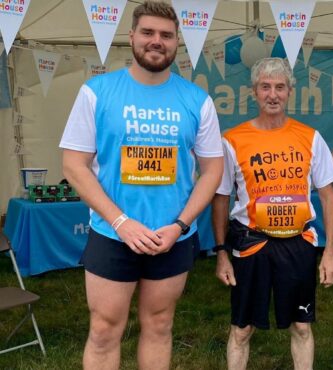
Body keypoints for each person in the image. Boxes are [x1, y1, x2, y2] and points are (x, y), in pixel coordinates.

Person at [59, 1, 223, 369]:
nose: (156, 41)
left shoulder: (197, 100)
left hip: (172, 235)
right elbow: (73, 165)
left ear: (177, 42)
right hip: (112, 233)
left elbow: (212, 171)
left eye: (166, 35)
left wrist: (180, 225)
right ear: (131, 36)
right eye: (148, 32)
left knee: (160, 325)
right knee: (103, 329)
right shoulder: (97, 91)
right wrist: (120, 222)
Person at [212, 57, 333, 370]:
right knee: (242, 329)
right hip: (250, 242)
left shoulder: (310, 138)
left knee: (301, 325)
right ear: (254, 92)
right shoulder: (232, 140)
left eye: (280, 87)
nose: (273, 94)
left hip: (297, 243)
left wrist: (331, 253)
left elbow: (328, 195)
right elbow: (220, 199)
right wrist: (221, 253)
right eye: (265, 87)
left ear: (289, 92)